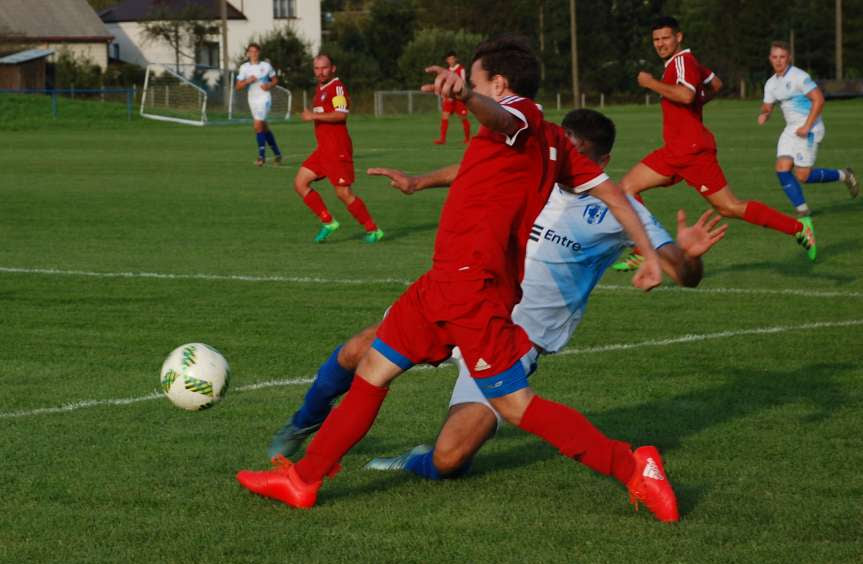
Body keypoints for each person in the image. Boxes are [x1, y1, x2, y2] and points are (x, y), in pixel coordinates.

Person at [236, 36, 678, 522]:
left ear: (500, 83)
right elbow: (614, 195)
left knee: (516, 407)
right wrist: (648, 252)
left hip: (472, 288)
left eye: (475, 78)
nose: (469, 85)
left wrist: (467, 97)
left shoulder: (523, 117)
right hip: (445, 282)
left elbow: (506, 118)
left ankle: (634, 467)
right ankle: (303, 480)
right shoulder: (555, 143)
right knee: (373, 369)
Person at [267, 110, 726, 507]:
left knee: (450, 458)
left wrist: (689, 256)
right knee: (358, 351)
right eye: (562, 147)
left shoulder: (619, 208)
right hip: (469, 299)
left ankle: (414, 460)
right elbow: (474, 169)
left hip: (513, 339)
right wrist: (420, 181)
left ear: (601, 161)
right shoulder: (538, 170)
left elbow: (683, 274)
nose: (564, 159)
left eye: (578, 153)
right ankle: (302, 426)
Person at [616, 16, 817, 266]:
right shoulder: (687, 62)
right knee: (626, 188)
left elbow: (687, 95)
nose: (660, 43)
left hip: (691, 152)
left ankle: (798, 228)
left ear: (679, 37)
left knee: (729, 207)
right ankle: (642, 248)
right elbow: (716, 84)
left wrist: (650, 83)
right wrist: (693, 102)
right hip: (676, 150)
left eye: (666, 38)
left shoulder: (682, 62)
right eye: (656, 39)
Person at [758, 40, 858, 218]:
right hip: (791, 129)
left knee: (803, 176)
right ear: (770, 58)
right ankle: (802, 210)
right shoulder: (771, 83)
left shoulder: (799, 77)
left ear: (789, 57)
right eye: (775, 57)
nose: (778, 61)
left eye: (782, 57)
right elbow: (768, 105)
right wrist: (765, 114)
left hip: (810, 128)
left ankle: (844, 175)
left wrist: (807, 126)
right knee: (782, 168)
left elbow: (819, 99)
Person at [294, 53, 383, 244]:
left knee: (343, 193)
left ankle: (373, 229)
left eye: (324, 68)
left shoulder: (338, 88)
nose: (320, 72)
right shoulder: (320, 89)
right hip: (323, 150)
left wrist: (313, 117)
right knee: (300, 183)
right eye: (317, 68)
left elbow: (341, 115)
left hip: (337, 149)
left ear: (333, 68)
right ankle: (328, 222)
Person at [235, 43, 282, 167]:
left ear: (259, 52)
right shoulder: (244, 68)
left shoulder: (266, 66)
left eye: (255, 51)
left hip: (264, 98)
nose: (253, 54)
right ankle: (277, 154)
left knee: (257, 125)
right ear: (248, 53)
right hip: (252, 99)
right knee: (263, 127)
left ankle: (261, 157)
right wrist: (247, 81)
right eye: (251, 51)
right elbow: (238, 87)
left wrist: (269, 85)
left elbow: (275, 80)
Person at [434, 51, 472, 145]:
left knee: (463, 118)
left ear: (456, 59)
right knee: (444, 116)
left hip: (458, 98)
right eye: (448, 59)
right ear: (447, 61)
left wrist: (458, 94)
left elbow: (463, 83)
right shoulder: (446, 71)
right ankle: (442, 139)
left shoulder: (461, 69)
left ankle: (467, 139)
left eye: (452, 58)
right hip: (449, 99)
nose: (450, 60)